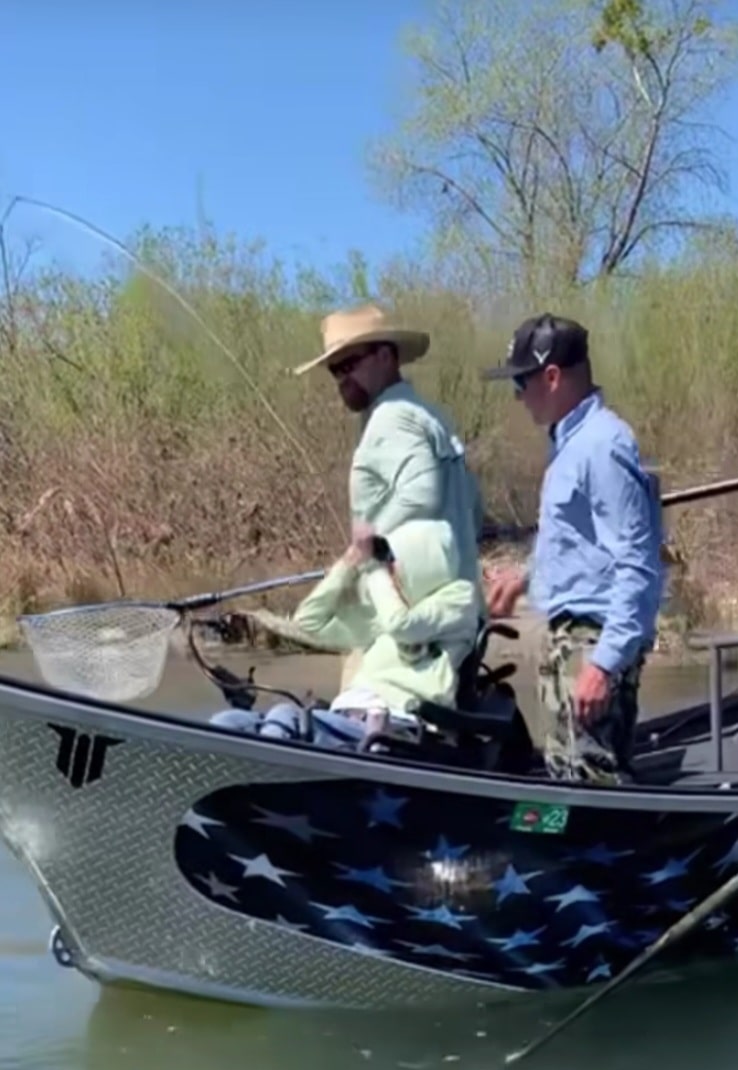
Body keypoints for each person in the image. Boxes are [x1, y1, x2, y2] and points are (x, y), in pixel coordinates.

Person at [481, 313, 663, 784]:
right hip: (568, 643)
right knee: (566, 779)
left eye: (520, 383)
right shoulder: (568, 446)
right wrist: (524, 577)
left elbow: (637, 566)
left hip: (592, 643)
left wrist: (603, 665)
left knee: (593, 788)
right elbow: (577, 544)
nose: (517, 397)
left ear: (553, 376)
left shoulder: (602, 446)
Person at [210, 516, 480, 747]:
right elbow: (309, 623)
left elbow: (402, 626)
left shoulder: (459, 598)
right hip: (345, 715)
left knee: (285, 716)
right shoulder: (388, 608)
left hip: (398, 724)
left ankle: (259, 769)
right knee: (229, 722)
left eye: (394, 560)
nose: (390, 567)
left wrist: (374, 569)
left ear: (423, 563)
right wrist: (349, 563)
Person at [295, 303, 486, 615]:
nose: (342, 379)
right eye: (335, 370)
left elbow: (421, 495)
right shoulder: (431, 415)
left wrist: (359, 553)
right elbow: (474, 510)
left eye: (350, 364)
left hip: (414, 619)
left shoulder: (391, 417)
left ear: (385, 356)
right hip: (455, 613)